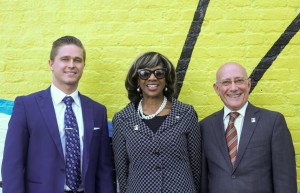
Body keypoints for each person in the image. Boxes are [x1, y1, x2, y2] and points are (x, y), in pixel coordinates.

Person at [1, 36, 115, 193]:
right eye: (65, 59)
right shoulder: (26, 106)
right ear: (51, 64)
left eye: (77, 60)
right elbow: (12, 164)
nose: (71, 65)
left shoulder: (97, 111)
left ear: (83, 66)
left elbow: (104, 169)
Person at [200, 62, 297, 193]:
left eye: (239, 81)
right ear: (217, 89)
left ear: (249, 84)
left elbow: (285, 179)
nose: (233, 88)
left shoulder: (273, 122)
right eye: (226, 82)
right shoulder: (205, 127)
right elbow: (203, 180)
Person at [112, 51, 201, 193]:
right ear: (137, 79)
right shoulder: (123, 119)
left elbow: (196, 167)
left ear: (166, 79)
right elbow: (122, 174)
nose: (152, 78)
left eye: (159, 73)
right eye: (144, 73)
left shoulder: (186, 114)